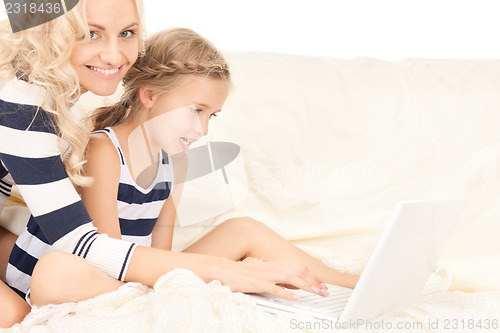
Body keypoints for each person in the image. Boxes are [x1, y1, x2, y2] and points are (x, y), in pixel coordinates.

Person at [0, 0, 330, 327]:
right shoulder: (21, 101)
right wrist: (235, 273)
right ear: (52, 30)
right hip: (77, 263)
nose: (115, 55)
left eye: (127, 32)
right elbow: (82, 243)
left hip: (87, 262)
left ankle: (352, 287)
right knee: (24, 309)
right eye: (91, 33)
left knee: (239, 232)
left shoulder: (56, 88)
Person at [82, 27, 358, 299]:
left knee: (243, 229)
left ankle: (354, 284)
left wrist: (206, 273)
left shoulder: (175, 161)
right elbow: (110, 257)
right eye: (196, 110)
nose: (202, 129)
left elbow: (162, 255)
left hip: (146, 272)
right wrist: (225, 272)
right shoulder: (104, 151)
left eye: (211, 115)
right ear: (150, 95)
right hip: (105, 276)